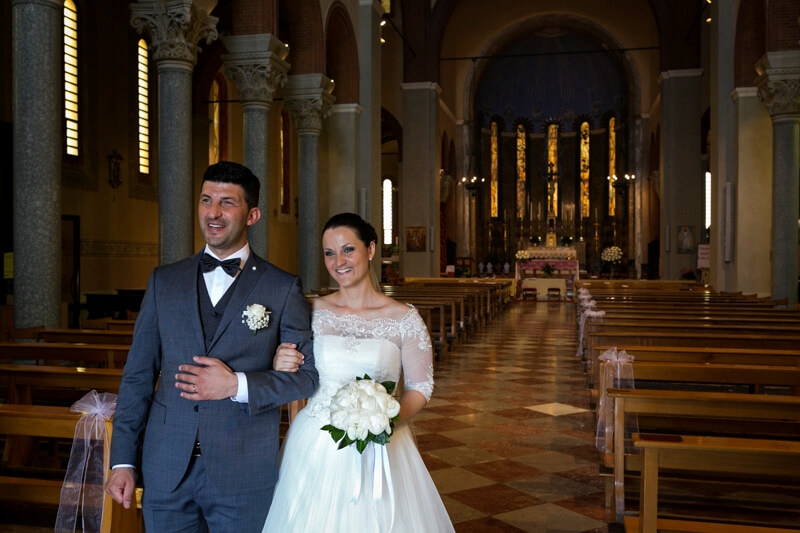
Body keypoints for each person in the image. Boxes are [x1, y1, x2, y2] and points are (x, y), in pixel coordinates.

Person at [105, 161, 318, 532]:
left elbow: (308, 378)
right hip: (166, 468)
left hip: (245, 473)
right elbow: (137, 377)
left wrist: (238, 385)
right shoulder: (163, 281)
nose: (213, 213)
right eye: (206, 200)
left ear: (252, 215)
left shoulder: (282, 288)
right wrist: (122, 461)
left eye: (227, 202)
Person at [262, 213, 455, 532]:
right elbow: (289, 368)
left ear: (371, 249)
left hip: (382, 446)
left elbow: (421, 387)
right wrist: (280, 361)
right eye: (329, 253)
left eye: (347, 249)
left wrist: (383, 424)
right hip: (316, 443)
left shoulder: (404, 319)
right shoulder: (309, 311)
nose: (338, 261)